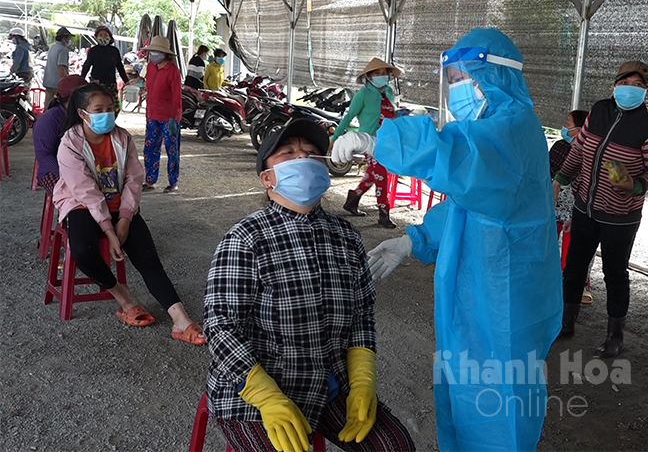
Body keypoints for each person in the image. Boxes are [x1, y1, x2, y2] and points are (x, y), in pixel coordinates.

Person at [332, 28, 562, 451]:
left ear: (493, 76)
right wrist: (414, 240)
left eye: (462, 78)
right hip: (478, 292)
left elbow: (450, 156)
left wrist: (377, 140)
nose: (455, 88)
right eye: (451, 78)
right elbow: (465, 204)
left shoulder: (514, 129)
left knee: (500, 402)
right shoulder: (492, 128)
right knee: (463, 391)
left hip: (504, 297)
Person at [203, 119, 415, 452]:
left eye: (311, 153)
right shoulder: (245, 239)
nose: (302, 159)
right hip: (254, 392)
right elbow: (221, 326)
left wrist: (362, 382)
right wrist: (267, 396)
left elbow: (362, 316)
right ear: (267, 178)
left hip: (327, 384)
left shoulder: (347, 238)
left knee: (394, 447)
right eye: (287, 154)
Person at [51, 83, 205, 345]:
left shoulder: (122, 138)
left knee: (147, 258)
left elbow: (134, 180)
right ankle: (123, 298)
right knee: (83, 250)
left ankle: (180, 319)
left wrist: (124, 219)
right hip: (82, 205)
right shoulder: (70, 144)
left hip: (118, 204)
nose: (107, 114)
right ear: (82, 113)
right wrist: (110, 232)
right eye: (99, 109)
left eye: (110, 108)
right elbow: (85, 191)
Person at [552, 61, 648, 357]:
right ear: (615, 85)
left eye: (639, 85)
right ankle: (566, 322)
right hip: (585, 208)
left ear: (647, 90)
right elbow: (578, 149)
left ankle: (615, 335)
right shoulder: (598, 111)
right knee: (574, 266)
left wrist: (636, 184)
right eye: (627, 82)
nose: (632, 88)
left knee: (615, 272)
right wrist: (561, 178)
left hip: (620, 216)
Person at [331, 58, 401, 228]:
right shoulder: (362, 94)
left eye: (384, 73)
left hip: (387, 141)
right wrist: (334, 139)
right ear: (368, 77)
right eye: (377, 73)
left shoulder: (389, 92)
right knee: (381, 176)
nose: (381, 76)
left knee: (373, 175)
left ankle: (353, 199)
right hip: (369, 142)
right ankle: (384, 214)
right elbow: (348, 117)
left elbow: (394, 114)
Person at [549, 109, 595, 304]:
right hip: (554, 202)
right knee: (549, 243)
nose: (565, 127)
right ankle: (550, 282)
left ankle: (579, 285)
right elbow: (548, 172)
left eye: (568, 123)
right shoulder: (560, 146)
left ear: (579, 129)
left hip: (577, 206)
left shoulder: (590, 150)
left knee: (574, 249)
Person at [33, 74, 88, 196]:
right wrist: (70, 175)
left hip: (84, 168)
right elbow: (45, 156)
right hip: (54, 171)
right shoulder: (49, 120)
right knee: (75, 201)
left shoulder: (86, 115)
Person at [141, 36, 182, 193]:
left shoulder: (172, 70)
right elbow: (149, 86)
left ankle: (173, 182)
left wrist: (174, 117)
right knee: (150, 148)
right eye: (152, 52)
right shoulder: (151, 66)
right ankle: (150, 181)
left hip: (169, 118)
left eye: (156, 52)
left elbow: (176, 96)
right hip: (152, 115)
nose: (153, 55)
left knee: (172, 150)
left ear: (165, 54)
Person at [81, 25, 130, 116]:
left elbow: (120, 66)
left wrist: (126, 81)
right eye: (100, 34)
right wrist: (81, 79)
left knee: (114, 107)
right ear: (96, 37)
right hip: (97, 83)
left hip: (111, 83)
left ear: (110, 37)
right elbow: (86, 66)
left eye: (105, 34)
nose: (103, 36)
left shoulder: (114, 51)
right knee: (98, 106)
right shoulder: (93, 51)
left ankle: (111, 123)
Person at [43, 27, 72, 109]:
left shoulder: (53, 47)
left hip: (48, 82)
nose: (69, 40)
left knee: (48, 106)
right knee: (59, 108)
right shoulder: (63, 49)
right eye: (68, 38)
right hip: (57, 84)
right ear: (63, 38)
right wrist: (64, 83)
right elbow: (61, 67)